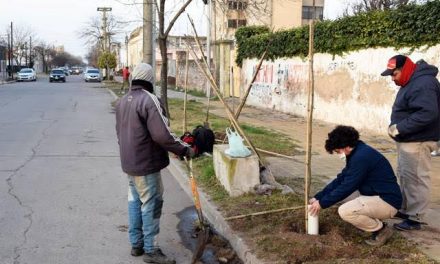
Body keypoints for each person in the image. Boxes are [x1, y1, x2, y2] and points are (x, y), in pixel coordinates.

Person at [115, 63, 195, 264]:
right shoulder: (149, 100)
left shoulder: (123, 101)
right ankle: (151, 250)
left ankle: (137, 244)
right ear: (150, 79)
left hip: (130, 163)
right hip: (146, 163)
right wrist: (185, 150)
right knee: (151, 204)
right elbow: (162, 135)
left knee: (135, 202)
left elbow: (120, 134)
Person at [309, 125, 402, 246]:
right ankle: (371, 218)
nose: (338, 154)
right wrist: (319, 197)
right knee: (340, 196)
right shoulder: (357, 151)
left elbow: (347, 186)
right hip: (375, 194)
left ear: (346, 147)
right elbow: (341, 179)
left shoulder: (361, 157)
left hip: (387, 201)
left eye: (337, 151)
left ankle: (381, 229)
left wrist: (322, 204)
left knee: (345, 211)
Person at [381, 55, 440, 231]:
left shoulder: (423, 83)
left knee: (416, 179)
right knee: (406, 176)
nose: (392, 79)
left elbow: (428, 113)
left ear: (405, 69)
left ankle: (415, 218)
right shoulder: (412, 81)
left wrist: (400, 127)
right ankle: (407, 210)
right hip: (410, 140)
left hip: (418, 140)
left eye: (394, 74)